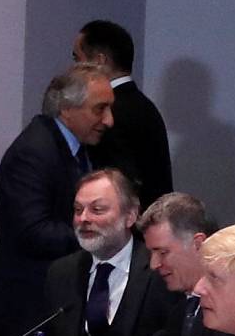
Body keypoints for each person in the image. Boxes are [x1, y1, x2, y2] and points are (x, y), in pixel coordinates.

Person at [0, 64, 115, 336]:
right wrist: (100, 234)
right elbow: (34, 232)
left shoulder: (78, 148)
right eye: (99, 109)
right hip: (26, 310)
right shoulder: (33, 152)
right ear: (67, 109)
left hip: (52, 305)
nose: (109, 120)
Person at [25, 168, 176, 336]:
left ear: (130, 216)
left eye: (97, 210)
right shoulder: (62, 272)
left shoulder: (161, 273)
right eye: (77, 210)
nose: (83, 218)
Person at [73, 19, 171, 210]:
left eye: (77, 58)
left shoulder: (112, 114)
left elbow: (118, 187)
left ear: (99, 61)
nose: (74, 69)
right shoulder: (143, 106)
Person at [138, 189, 224, 336]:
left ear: (199, 244)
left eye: (163, 252)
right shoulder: (179, 309)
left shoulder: (229, 312)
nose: (154, 264)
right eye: (151, 253)